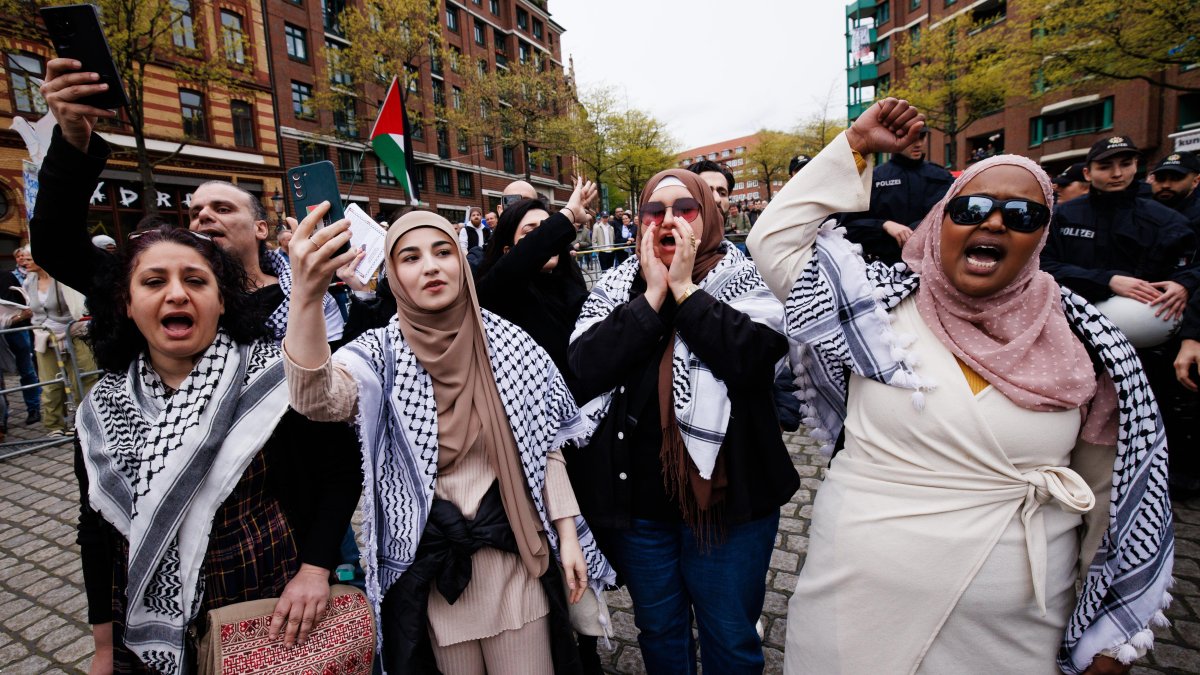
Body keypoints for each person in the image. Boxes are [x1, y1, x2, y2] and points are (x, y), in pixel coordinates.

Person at [748, 98, 1172, 675]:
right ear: (941, 219)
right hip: (853, 612)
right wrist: (856, 145)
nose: (993, 223)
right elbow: (775, 240)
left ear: (1043, 236)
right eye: (971, 207)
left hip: (1013, 634)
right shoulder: (872, 305)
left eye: (1021, 216)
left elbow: (1112, 500)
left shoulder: (1086, 339)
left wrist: (1111, 637)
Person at [283, 205, 616, 674]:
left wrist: (568, 536)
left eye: (443, 251)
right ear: (393, 274)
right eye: (410, 257)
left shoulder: (511, 343)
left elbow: (547, 449)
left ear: (462, 262)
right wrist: (306, 296)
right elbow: (317, 398)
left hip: (515, 558)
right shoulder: (380, 354)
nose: (431, 266)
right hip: (433, 572)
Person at [69, 225, 361, 674]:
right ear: (126, 304)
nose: (176, 295)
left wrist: (315, 570)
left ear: (222, 300)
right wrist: (104, 646)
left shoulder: (275, 379)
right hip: (147, 623)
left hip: (269, 603)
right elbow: (97, 528)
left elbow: (341, 472)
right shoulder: (101, 412)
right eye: (153, 282)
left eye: (195, 280)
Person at [568, 169, 794, 674]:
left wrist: (687, 291)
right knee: (661, 632)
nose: (668, 220)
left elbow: (754, 359)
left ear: (708, 217)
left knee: (731, 638)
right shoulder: (618, 284)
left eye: (684, 208)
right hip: (642, 512)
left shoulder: (746, 279)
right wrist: (651, 298)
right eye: (655, 211)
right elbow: (584, 368)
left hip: (728, 510)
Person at [32, 59, 344, 346]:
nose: (204, 216)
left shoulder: (310, 293)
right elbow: (57, 248)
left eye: (223, 209)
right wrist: (73, 141)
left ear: (261, 228)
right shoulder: (156, 288)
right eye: (195, 212)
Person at [1041, 135, 1199, 497]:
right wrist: (1108, 281)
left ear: (1136, 167)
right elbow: (1044, 266)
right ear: (1088, 171)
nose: (1116, 173)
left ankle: (1149, 483)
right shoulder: (1063, 217)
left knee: (1145, 412)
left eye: (1125, 164)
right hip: (1076, 339)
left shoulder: (1167, 221)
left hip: (1145, 348)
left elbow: (1191, 266)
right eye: (1105, 166)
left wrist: (1185, 283)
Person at [476, 179, 594, 373]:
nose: (548, 238)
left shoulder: (570, 282)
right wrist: (569, 213)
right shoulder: (497, 290)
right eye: (532, 232)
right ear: (508, 251)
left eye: (547, 227)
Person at [840, 127, 954, 265]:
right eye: (911, 138)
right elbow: (846, 227)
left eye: (921, 137)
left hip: (934, 266)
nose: (918, 144)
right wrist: (883, 226)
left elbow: (956, 218)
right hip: (884, 268)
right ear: (894, 139)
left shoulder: (942, 177)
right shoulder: (873, 178)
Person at [22, 250, 96, 436]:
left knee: (83, 377)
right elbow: (34, 310)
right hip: (45, 337)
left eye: (29, 258)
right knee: (50, 382)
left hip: (74, 333)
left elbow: (78, 308)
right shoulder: (29, 281)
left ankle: (86, 419)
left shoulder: (64, 279)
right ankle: (54, 425)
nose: (24, 261)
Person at [2, 247, 40, 426]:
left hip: (16, 329)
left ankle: (33, 408)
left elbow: (21, 305)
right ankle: (3, 416)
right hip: (5, 330)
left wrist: (18, 318)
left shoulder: (6, 277)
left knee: (26, 368)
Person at [1148, 151, 1200, 231]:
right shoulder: (1142, 212)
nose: (1165, 185)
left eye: (1175, 178)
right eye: (1160, 179)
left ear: (1195, 181)